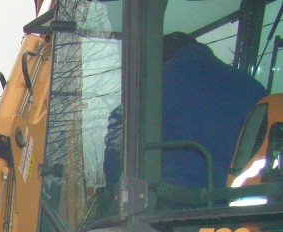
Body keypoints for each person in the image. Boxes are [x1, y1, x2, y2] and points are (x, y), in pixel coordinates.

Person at [103, 32, 267, 193]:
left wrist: (113, 188)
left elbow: (118, 130)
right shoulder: (253, 87)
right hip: (240, 205)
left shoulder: (157, 81)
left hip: (175, 204)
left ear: (161, 56)